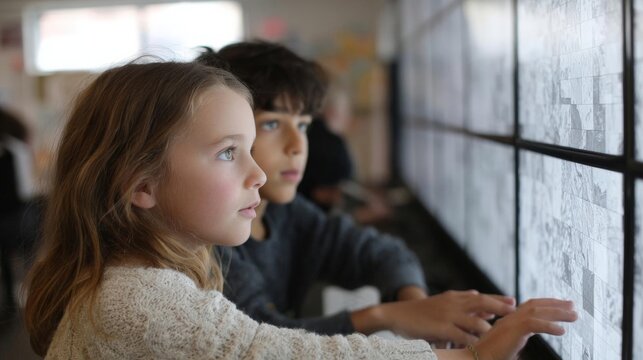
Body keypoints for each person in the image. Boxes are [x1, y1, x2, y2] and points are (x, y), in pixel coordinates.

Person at [23, 60, 576, 359]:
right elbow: (283, 352)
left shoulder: (151, 277)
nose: (259, 171)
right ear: (141, 185)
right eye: (227, 153)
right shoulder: (139, 300)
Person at [195, 41, 546, 347]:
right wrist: (387, 315)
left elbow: (381, 252)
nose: (298, 145)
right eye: (272, 124)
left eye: (303, 125)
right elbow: (266, 340)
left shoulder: (286, 214)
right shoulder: (213, 242)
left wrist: (417, 304)